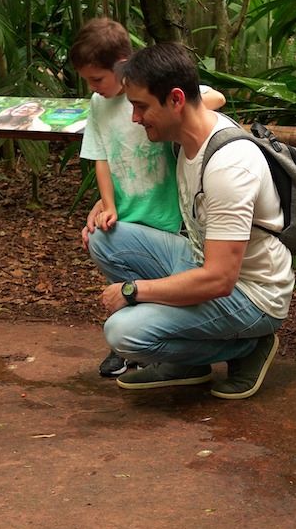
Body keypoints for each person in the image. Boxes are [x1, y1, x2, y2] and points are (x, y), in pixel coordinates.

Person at [86, 42, 294, 400]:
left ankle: (248, 346)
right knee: (105, 238)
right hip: (202, 260)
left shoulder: (229, 165)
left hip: (251, 294)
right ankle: (188, 361)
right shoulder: (184, 138)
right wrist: (104, 203)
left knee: (124, 333)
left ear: (176, 100)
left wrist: (134, 291)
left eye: (140, 107)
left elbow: (219, 279)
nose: (135, 118)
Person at [69, 18, 226, 377]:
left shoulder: (152, 91)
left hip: (170, 218)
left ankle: (161, 345)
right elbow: (102, 158)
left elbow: (210, 98)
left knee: (173, 285)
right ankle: (129, 341)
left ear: (122, 65)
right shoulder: (99, 104)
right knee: (103, 244)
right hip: (130, 214)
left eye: (97, 79)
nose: (94, 88)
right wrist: (107, 205)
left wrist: (194, 105)